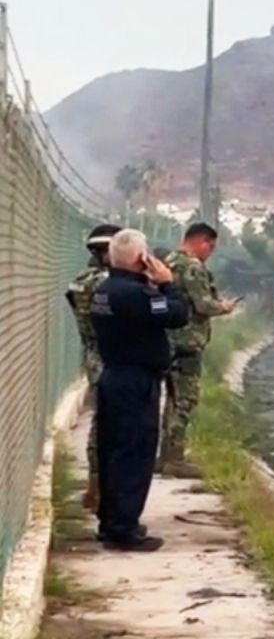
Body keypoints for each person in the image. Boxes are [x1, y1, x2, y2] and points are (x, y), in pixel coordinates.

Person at [91, 229, 190, 551]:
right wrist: (166, 282)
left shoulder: (106, 289)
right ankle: (124, 529)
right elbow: (177, 314)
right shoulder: (134, 294)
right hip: (135, 382)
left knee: (113, 452)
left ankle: (111, 521)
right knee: (134, 454)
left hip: (113, 376)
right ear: (141, 259)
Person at [162, 223, 235, 478]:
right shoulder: (192, 267)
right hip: (187, 340)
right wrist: (223, 306)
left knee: (171, 399)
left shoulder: (169, 261)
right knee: (184, 399)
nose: (210, 253)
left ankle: (165, 456)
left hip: (167, 339)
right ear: (203, 242)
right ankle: (174, 459)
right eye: (211, 247)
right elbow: (202, 305)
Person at [65, 223, 122, 512]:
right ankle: (106, 491)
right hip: (115, 359)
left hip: (93, 355)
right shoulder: (112, 283)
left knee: (101, 422)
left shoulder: (80, 282)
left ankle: (95, 486)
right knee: (116, 427)